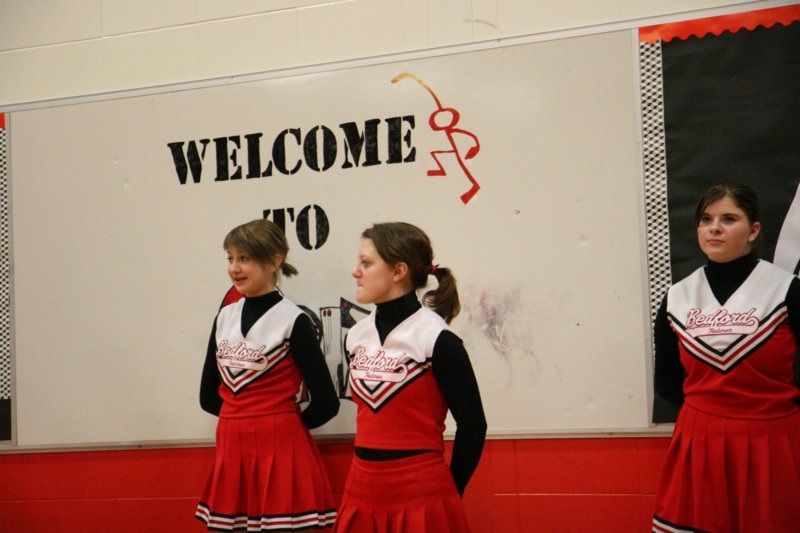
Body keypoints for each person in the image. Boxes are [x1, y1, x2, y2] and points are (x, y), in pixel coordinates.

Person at [652, 184, 800, 532]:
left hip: (774, 438)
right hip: (700, 440)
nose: (714, 228)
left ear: (754, 230)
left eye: (728, 219)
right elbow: (667, 381)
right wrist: (711, 414)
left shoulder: (786, 289)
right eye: (706, 219)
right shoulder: (677, 296)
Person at [333, 222, 487, 533]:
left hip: (421, 490)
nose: (355, 271)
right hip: (360, 485)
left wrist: (450, 492)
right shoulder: (356, 336)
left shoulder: (437, 338)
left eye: (366, 263)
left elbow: (473, 425)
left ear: (398, 271)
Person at [196, 219, 340, 532]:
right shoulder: (224, 317)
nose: (234, 268)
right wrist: (242, 421)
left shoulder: (293, 320)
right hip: (232, 451)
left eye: (245, 258)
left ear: (275, 260)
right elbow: (207, 396)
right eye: (231, 258)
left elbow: (327, 402)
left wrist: (281, 425)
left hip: (283, 452)